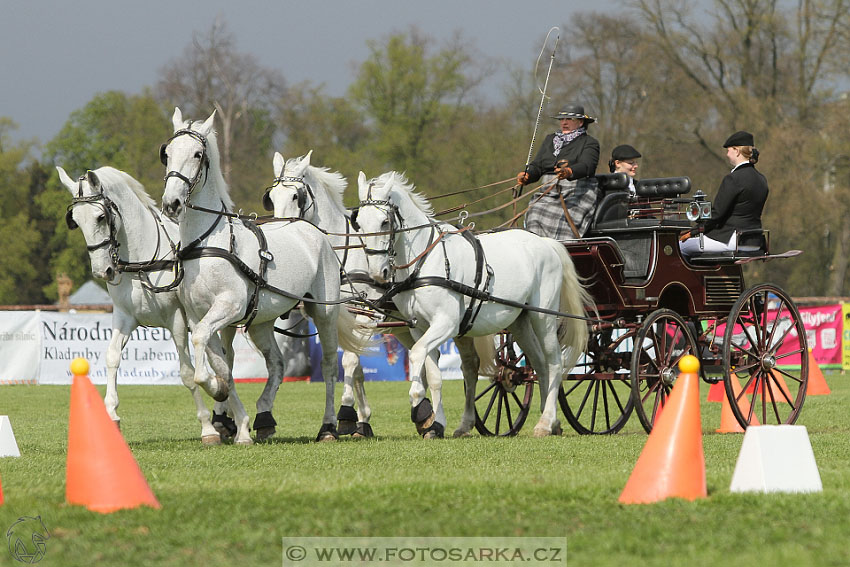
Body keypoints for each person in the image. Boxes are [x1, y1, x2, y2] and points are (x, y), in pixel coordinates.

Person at [517, 103, 600, 239]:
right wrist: (528, 175)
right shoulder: (550, 140)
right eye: (562, 119)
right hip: (548, 190)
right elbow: (538, 165)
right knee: (535, 212)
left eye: (569, 119)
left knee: (564, 220)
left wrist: (569, 171)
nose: (564, 122)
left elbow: (587, 166)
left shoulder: (589, 142)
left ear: (580, 123)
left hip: (578, 191)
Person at [679, 130, 768, 256]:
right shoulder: (761, 179)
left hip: (732, 239)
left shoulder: (733, 179)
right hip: (755, 242)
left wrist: (693, 232)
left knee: (680, 247)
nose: (727, 154)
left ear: (737, 151)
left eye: (728, 150)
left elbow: (717, 214)